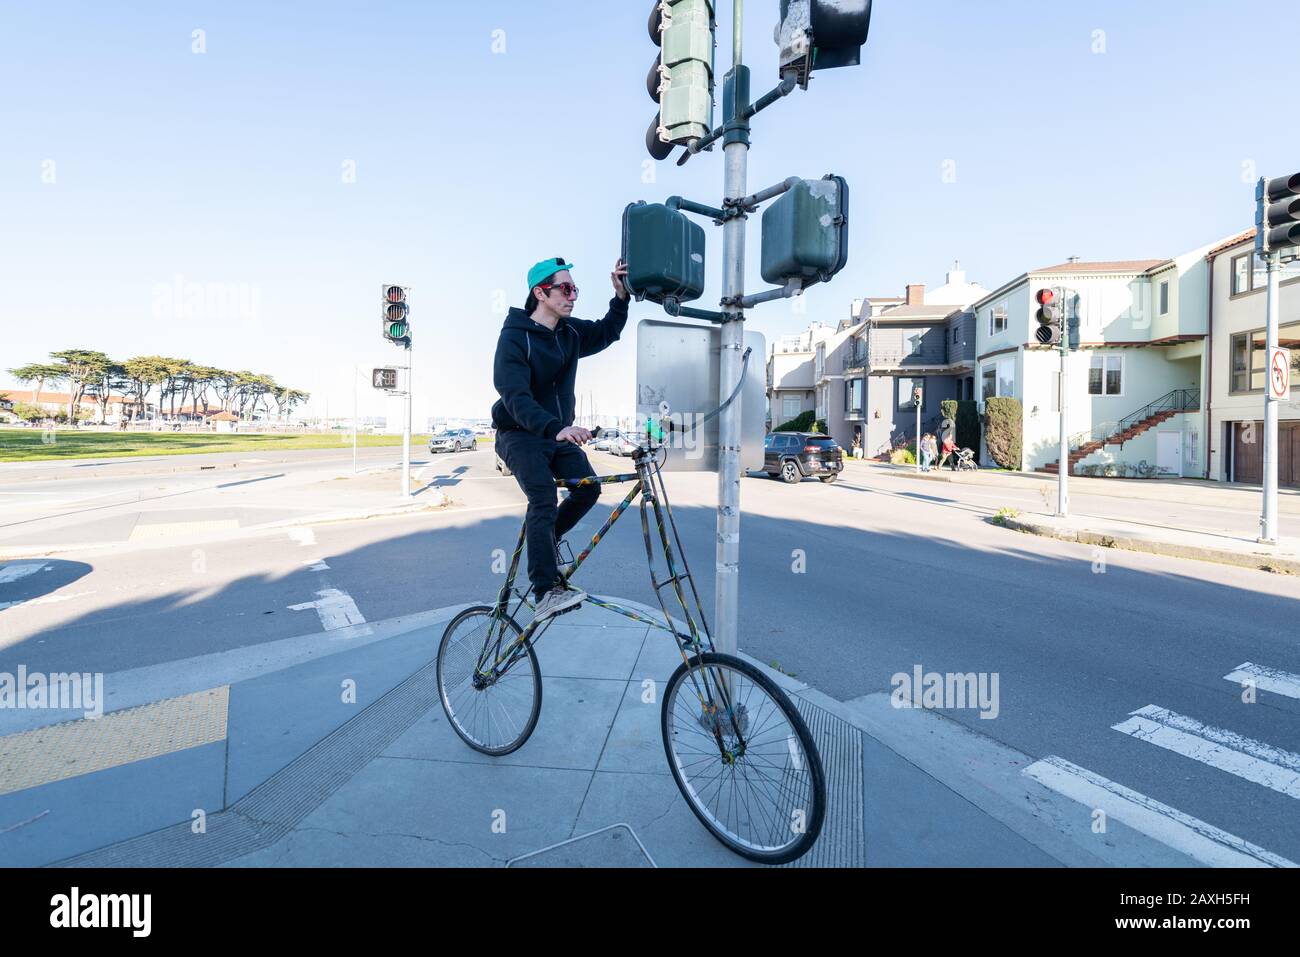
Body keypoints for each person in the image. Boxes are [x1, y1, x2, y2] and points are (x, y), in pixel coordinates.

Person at [492, 256, 630, 621]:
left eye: (574, 289)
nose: (572, 296)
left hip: (556, 434)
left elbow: (606, 332)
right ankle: (545, 590)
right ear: (540, 292)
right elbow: (514, 395)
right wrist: (557, 428)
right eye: (565, 289)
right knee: (543, 497)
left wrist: (620, 298)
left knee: (588, 487)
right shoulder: (514, 337)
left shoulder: (569, 333)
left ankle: (545, 541)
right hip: (519, 433)